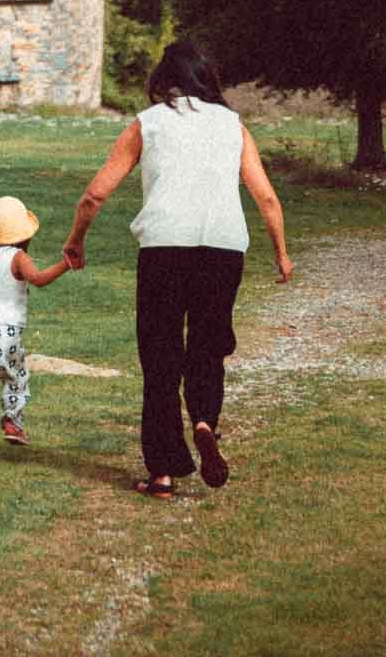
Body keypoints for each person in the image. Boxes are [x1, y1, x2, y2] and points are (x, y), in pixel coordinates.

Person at [62, 39, 293, 498]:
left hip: (165, 248)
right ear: (208, 78)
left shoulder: (148, 124)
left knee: (161, 357)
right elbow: (265, 197)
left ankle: (162, 473)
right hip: (223, 249)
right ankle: (205, 421)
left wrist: (75, 241)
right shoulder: (233, 126)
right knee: (208, 347)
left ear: (163, 79)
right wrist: (281, 252)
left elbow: (95, 194)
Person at [0, 195, 74, 467]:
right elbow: (39, 279)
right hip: (5, 332)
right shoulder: (18, 257)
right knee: (16, 376)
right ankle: (12, 420)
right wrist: (65, 265)